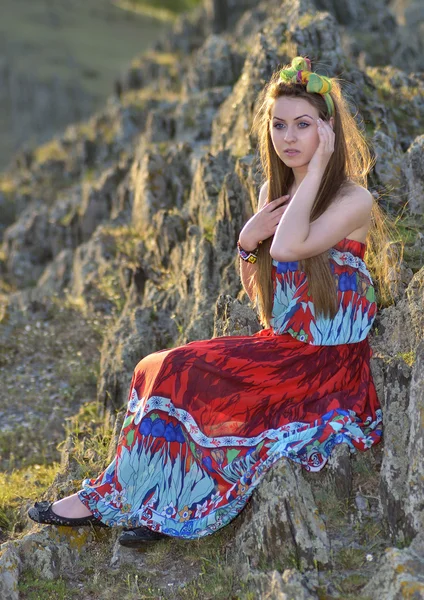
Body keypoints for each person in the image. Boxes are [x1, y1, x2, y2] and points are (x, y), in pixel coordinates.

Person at [28, 55, 399, 546]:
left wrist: (314, 177)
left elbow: (288, 247)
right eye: (279, 125)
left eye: (304, 126)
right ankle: (139, 500)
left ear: (327, 132)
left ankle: (147, 506)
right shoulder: (276, 193)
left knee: (184, 372)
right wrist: (247, 243)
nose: (288, 138)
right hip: (284, 348)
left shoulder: (354, 200)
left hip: (328, 368)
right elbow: (267, 298)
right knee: (153, 366)